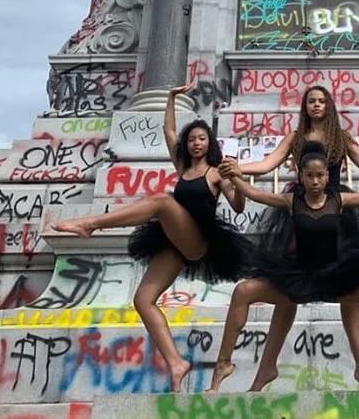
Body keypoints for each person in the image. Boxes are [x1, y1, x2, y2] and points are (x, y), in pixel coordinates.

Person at [51, 83, 250, 392]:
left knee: (161, 201)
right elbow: (169, 132)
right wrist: (171, 98)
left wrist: (236, 178)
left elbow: (238, 205)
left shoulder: (215, 173)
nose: (196, 143)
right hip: (174, 241)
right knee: (143, 299)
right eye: (192, 139)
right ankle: (176, 362)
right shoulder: (182, 166)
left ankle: (92, 224)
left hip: (198, 241)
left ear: (210, 143)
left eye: (202, 139)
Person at [224, 84, 359, 391]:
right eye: (311, 101)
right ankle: (266, 368)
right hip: (298, 211)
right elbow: (267, 164)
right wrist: (236, 169)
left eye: (321, 101)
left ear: (329, 105)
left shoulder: (340, 137)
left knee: (350, 283)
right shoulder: (295, 138)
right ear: (304, 106)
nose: (316, 105)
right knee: (288, 283)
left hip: (337, 211)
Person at [208, 141, 359, 391]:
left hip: (337, 278)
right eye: (309, 176)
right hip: (300, 278)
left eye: (320, 175)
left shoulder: (339, 200)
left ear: (328, 176)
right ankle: (223, 364)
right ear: (301, 176)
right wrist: (235, 175)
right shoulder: (291, 201)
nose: (315, 181)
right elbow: (255, 195)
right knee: (242, 291)